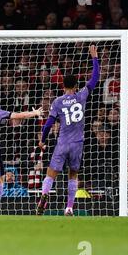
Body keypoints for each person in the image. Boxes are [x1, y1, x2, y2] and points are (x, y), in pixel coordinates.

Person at [36, 45, 100, 216]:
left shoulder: (57, 102)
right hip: (77, 143)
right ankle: (69, 207)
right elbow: (95, 78)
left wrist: (42, 140)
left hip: (62, 142)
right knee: (73, 175)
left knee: (51, 173)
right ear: (76, 85)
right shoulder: (81, 96)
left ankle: (44, 196)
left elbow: (48, 124)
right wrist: (94, 57)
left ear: (63, 85)